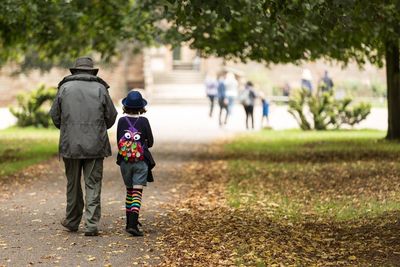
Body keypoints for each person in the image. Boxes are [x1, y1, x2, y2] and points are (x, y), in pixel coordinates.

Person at [50, 57, 118, 236]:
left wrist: (67, 129)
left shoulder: (64, 88)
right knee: (93, 183)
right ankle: (91, 224)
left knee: (72, 184)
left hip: (70, 144)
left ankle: (72, 221)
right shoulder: (101, 88)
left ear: (75, 71)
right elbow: (111, 116)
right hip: (95, 145)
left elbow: (55, 115)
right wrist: (99, 128)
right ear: (91, 72)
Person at [116, 90, 154, 236]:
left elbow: (119, 142)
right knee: (137, 193)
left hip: (125, 161)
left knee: (129, 191)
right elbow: (150, 142)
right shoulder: (144, 121)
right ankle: (133, 224)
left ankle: (128, 223)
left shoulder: (121, 121)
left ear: (126, 106)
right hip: (140, 161)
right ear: (141, 107)